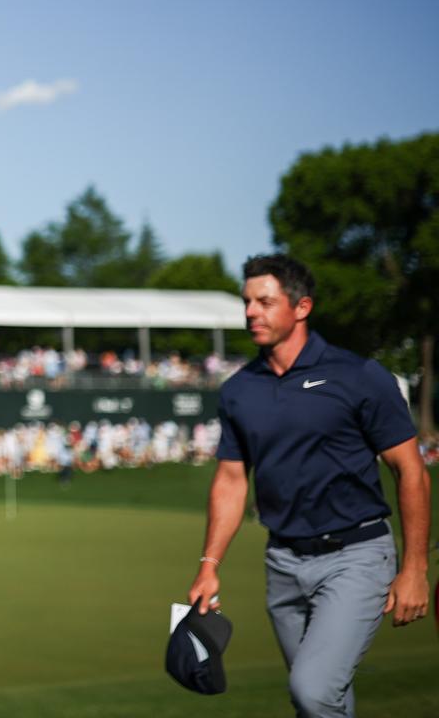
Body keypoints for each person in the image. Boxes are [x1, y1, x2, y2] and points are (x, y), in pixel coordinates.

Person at [188, 254, 431, 718]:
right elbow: (231, 480)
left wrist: (415, 567)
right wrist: (209, 564)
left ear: (301, 307)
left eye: (265, 301)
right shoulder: (240, 390)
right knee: (320, 704)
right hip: (282, 563)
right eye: (247, 302)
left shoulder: (358, 375)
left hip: (355, 557)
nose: (251, 312)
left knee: (313, 691)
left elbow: (411, 470)